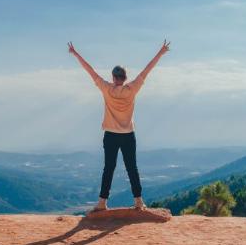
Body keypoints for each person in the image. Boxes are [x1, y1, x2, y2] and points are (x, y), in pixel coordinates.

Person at [68, 39, 171, 211]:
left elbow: (90, 71)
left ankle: (102, 202)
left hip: (110, 135)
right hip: (128, 135)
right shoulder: (132, 89)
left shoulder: (106, 89)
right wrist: (161, 52)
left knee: (109, 168)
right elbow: (147, 70)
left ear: (114, 77)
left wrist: (75, 53)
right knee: (132, 168)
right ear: (125, 78)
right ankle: (138, 201)